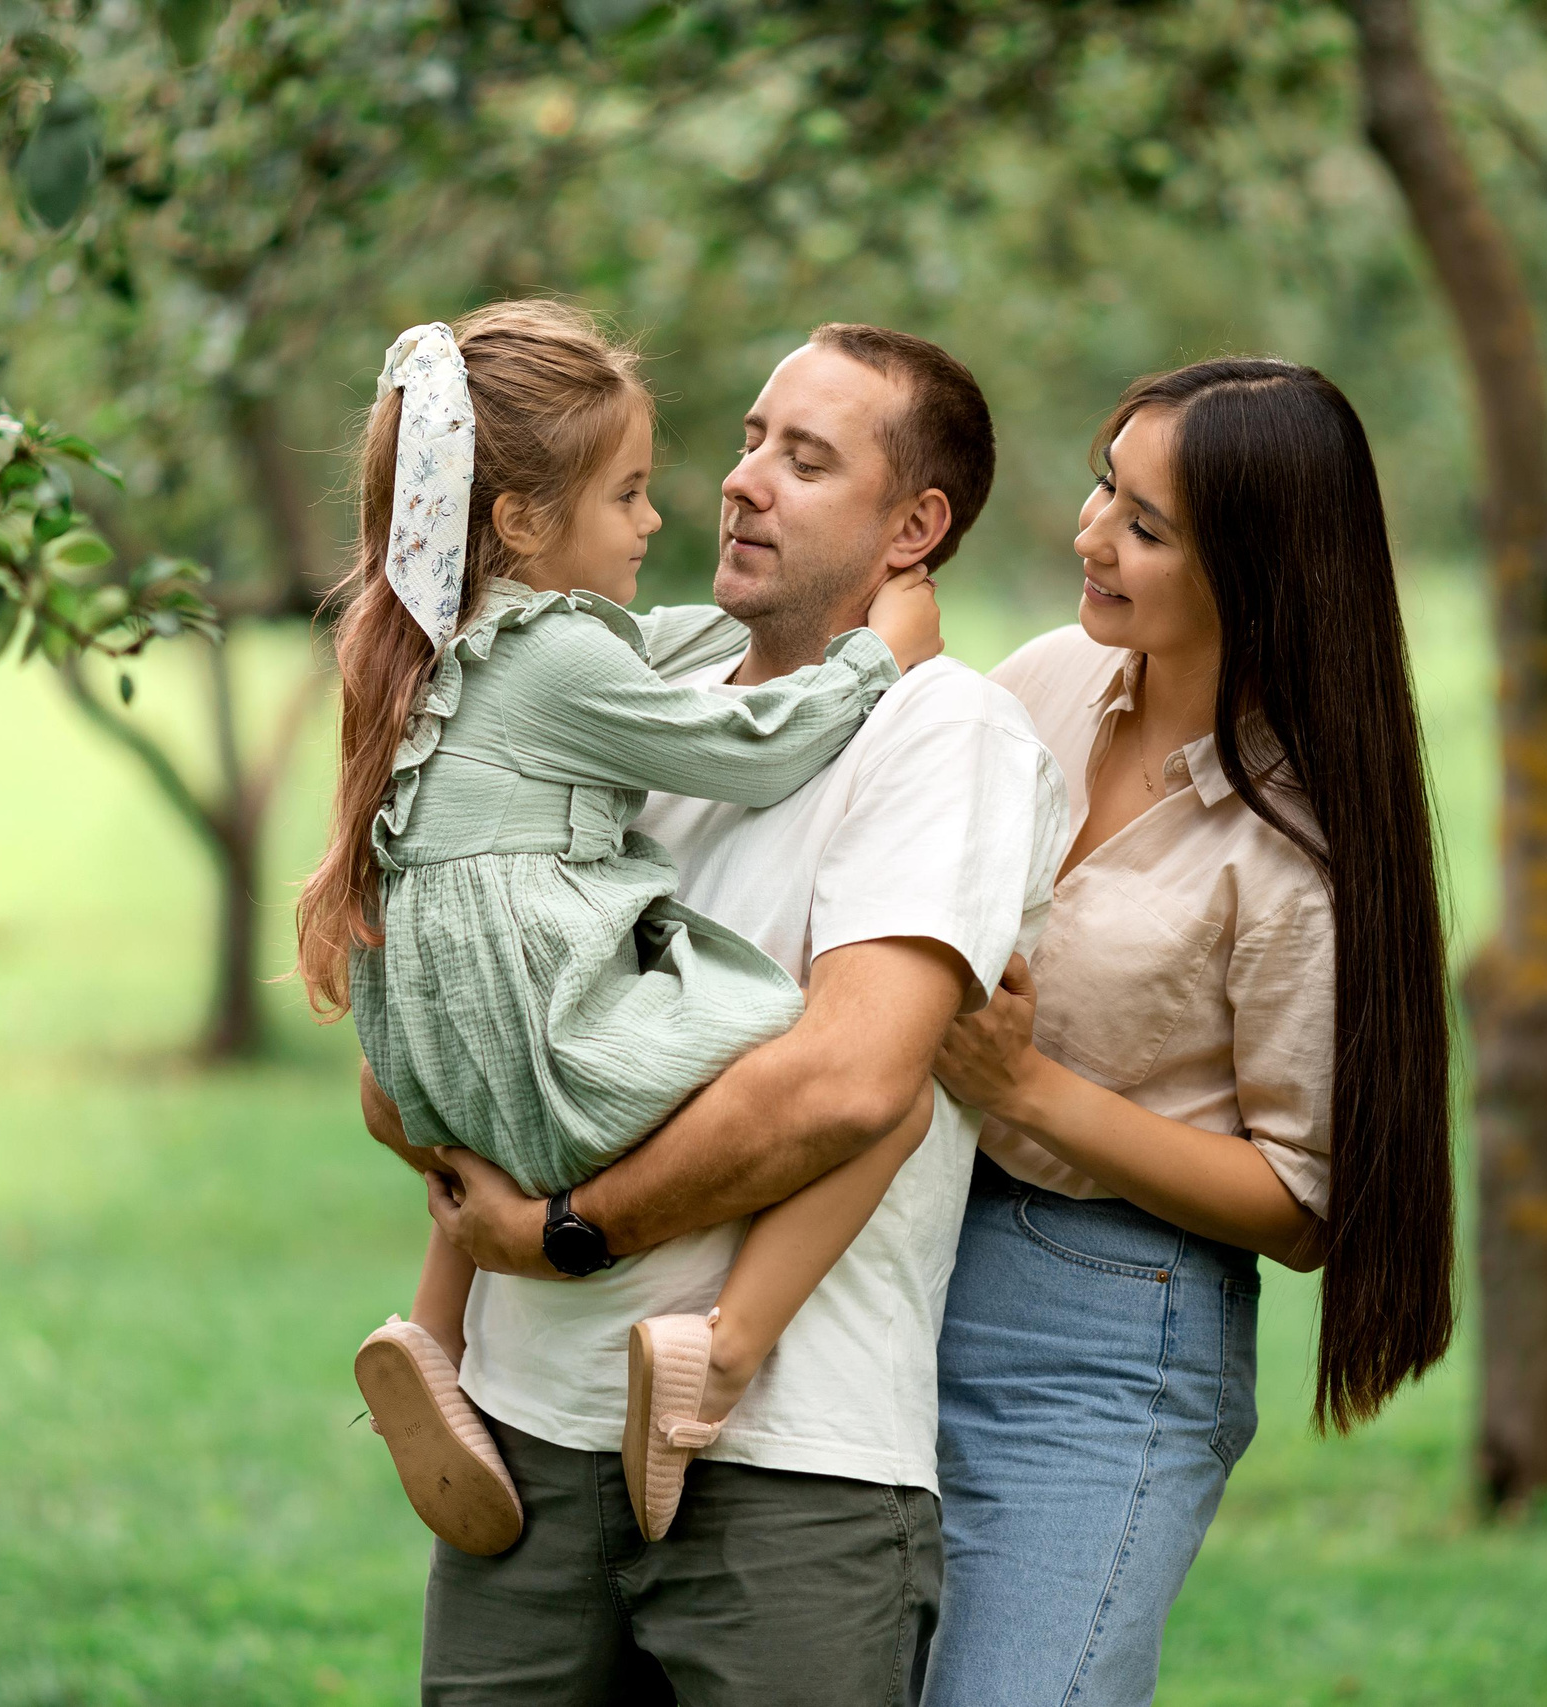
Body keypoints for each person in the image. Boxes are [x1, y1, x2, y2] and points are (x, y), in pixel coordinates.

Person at [364, 322, 1070, 1706]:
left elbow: (848, 1083)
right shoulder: (640, 685)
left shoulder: (944, 734)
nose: (738, 481)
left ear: (915, 525)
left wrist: (564, 1227)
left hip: (784, 1471)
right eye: (748, 438)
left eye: (805, 459)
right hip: (522, 1446)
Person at [291, 301, 955, 1557]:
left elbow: (669, 642)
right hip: (549, 1054)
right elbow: (748, 750)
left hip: (434, 1067)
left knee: (517, 1129)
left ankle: (433, 1340)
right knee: (872, 1089)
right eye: (628, 496)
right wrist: (874, 660)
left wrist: (792, 620)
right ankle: (720, 1352)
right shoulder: (559, 666)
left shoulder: (446, 642)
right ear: (524, 523)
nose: (661, 519)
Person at [922, 358, 1458, 1707]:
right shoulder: (1044, 681)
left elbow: (1299, 1201)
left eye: (1146, 525)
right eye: (1109, 483)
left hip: (1107, 1335)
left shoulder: (1292, 863)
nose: (1092, 530)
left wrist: (1028, 1085)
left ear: (1259, 575)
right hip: (913, 1262)